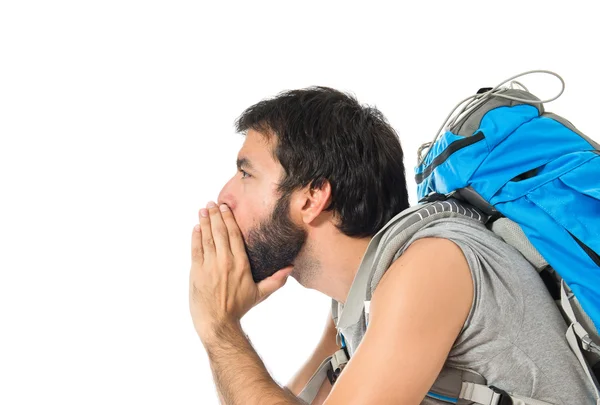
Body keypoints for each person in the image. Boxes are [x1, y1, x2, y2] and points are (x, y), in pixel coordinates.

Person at [188, 87, 595, 404]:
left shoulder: (433, 265)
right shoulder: (354, 304)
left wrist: (220, 330)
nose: (225, 196)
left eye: (246, 174)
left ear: (311, 198)